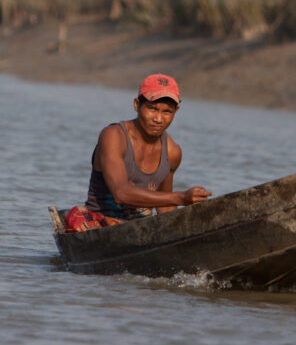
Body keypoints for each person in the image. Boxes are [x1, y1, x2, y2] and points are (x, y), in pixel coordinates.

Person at [65, 74, 212, 232]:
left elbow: (165, 206)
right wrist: (182, 198)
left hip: (140, 228)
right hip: (100, 224)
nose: (158, 119)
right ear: (137, 105)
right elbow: (121, 193)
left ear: (176, 111)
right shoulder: (113, 136)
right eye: (152, 108)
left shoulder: (173, 152)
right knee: (76, 216)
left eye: (167, 112)